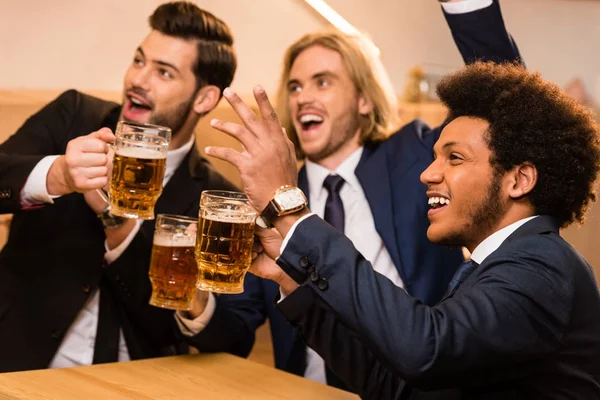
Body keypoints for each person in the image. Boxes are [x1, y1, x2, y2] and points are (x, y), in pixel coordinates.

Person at [207, 61, 600, 398]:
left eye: (455, 158)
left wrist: (291, 211)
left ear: (519, 180)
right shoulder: (496, 267)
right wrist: (291, 282)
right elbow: (397, 390)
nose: (428, 174)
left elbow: (424, 348)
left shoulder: (542, 266)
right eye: (434, 158)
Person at [188, 0, 523, 391]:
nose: (303, 98)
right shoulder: (267, 206)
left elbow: (504, 99)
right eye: (295, 86)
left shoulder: (416, 158)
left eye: (323, 81)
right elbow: (232, 334)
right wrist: (191, 295)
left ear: (364, 99)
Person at [0, 2, 257, 373]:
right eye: (139, 61)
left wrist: (122, 229)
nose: (138, 80)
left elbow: (233, 340)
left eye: (164, 73)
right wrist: (57, 175)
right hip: (16, 367)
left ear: (205, 98)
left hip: (137, 384)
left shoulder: (219, 201)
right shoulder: (74, 115)